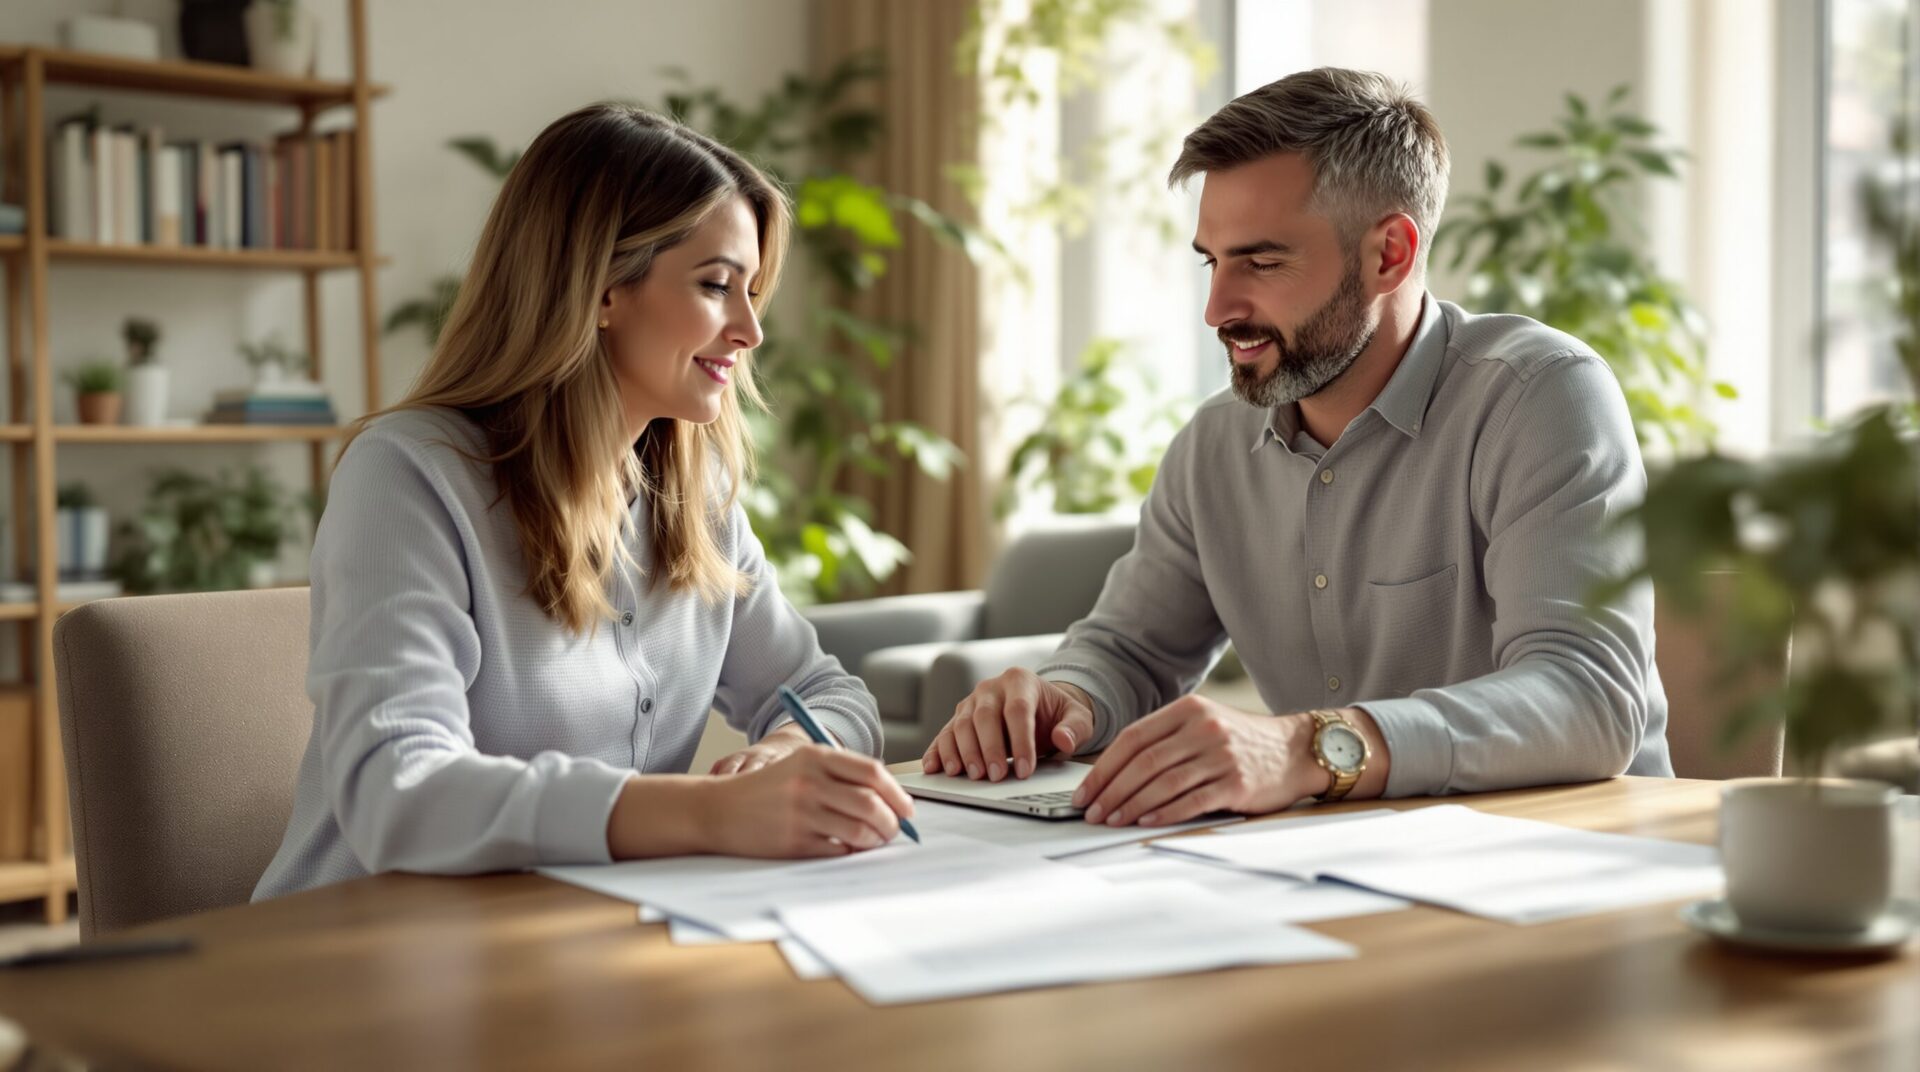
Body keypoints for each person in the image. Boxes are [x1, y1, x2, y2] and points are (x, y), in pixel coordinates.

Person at [923, 68, 1672, 827]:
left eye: (1262, 261)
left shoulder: (1539, 397)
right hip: (1338, 867)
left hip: (1572, 860)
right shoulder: (1214, 447)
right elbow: (1131, 653)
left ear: (1390, 254)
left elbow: (1587, 699)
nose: (1217, 307)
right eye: (1212, 262)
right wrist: (1065, 700)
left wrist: (1308, 749)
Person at [256, 104, 913, 900]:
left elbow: (827, 696)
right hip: (355, 961)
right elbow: (399, 791)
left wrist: (777, 759)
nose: (750, 331)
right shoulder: (409, 477)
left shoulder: (694, 498)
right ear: (603, 290)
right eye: (716, 286)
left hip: (571, 948)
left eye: (751, 294)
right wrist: (707, 812)